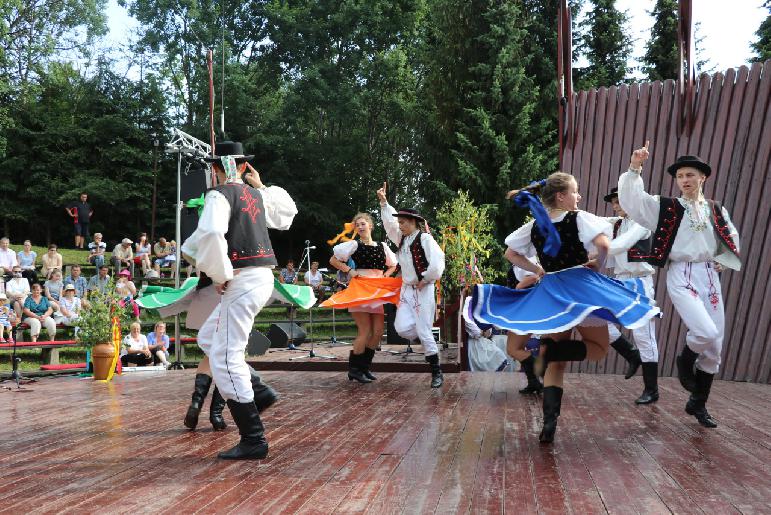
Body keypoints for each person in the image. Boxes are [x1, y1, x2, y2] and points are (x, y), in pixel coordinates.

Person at [467, 172, 660, 443]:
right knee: (599, 349)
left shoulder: (536, 225)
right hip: (582, 286)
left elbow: (510, 253)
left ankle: (549, 425)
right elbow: (604, 244)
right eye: (575, 191)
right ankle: (551, 351)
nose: (578, 196)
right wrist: (598, 264)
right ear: (561, 196)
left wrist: (537, 269)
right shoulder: (578, 218)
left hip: (552, 292)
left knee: (555, 366)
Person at [181, 140, 297, 460]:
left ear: (216, 169)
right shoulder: (257, 195)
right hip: (260, 280)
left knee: (226, 358)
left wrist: (220, 275)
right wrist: (260, 185)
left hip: (244, 280)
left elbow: (211, 235)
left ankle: (254, 438)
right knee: (209, 337)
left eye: (215, 168)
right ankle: (256, 391)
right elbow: (286, 214)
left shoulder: (219, 194)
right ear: (244, 167)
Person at [618, 143, 740, 428]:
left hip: (709, 275)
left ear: (703, 178)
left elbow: (729, 234)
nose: (684, 180)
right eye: (680, 176)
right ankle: (685, 362)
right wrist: (635, 167)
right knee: (705, 331)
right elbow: (634, 201)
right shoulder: (668, 207)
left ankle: (698, 403)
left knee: (715, 346)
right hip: (681, 273)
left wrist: (724, 257)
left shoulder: (715, 209)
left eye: (690, 175)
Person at [378, 182, 446, 388]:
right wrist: (383, 203)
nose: (400, 226)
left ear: (414, 223)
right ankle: (426, 337)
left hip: (423, 288)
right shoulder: (402, 239)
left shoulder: (424, 238)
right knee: (401, 327)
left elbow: (437, 261)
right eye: (400, 223)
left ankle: (436, 372)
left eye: (404, 223)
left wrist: (425, 279)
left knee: (424, 329)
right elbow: (389, 225)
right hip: (407, 289)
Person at [326, 212, 398, 383]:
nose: (359, 227)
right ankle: (355, 369)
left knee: (378, 332)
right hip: (360, 289)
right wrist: (350, 271)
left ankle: (364, 368)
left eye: (362, 223)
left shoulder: (382, 246)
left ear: (370, 225)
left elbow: (393, 264)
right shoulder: (353, 245)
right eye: (357, 225)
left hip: (376, 291)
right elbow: (333, 260)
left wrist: (385, 276)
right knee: (365, 331)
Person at [603, 186, 659, 404]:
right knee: (598, 319)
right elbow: (591, 220)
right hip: (619, 281)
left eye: (618, 201)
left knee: (644, 335)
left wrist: (598, 251)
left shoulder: (642, 222)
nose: (615, 206)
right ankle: (631, 355)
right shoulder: (617, 222)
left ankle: (651, 389)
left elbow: (623, 244)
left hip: (639, 282)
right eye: (613, 202)